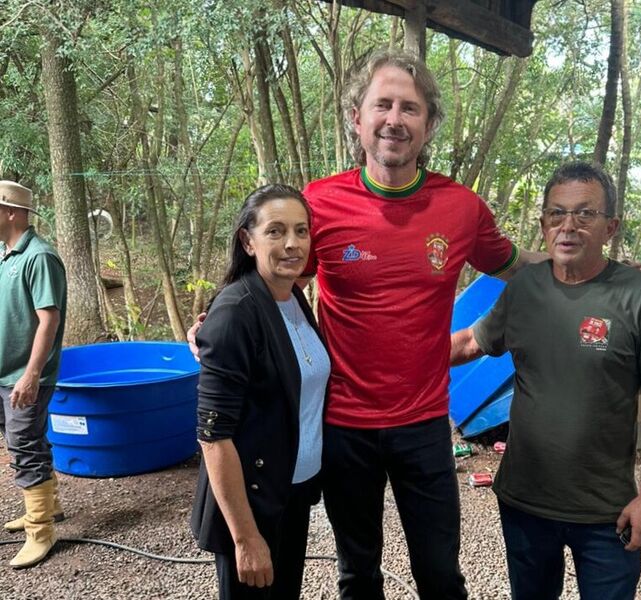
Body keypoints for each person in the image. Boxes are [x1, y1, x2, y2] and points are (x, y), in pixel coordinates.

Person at [190, 48, 538, 599]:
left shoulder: (461, 208)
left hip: (425, 421)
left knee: (441, 574)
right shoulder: (319, 205)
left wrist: (594, 268)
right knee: (357, 574)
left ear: (428, 124)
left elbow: (518, 267)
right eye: (383, 105)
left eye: (410, 108)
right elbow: (273, 277)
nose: (395, 119)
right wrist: (218, 320)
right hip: (344, 424)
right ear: (357, 118)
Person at [450, 162, 641, 600]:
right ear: (543, 225)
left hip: (607, 509)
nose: (568, 226)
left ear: (611, 227)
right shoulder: (524, 288)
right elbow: (469, 343)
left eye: (585, 214)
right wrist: (384, 357)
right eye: (556, 213)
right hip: (524, 501)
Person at [190, 184, 330, 599]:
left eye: (301, 231)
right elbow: (213, 436)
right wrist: (246, 538)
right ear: (247, 241)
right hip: (252, 505)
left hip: (291, 492)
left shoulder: (292, 298)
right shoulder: (236, 313)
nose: (292, 244)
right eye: (275, 231)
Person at [0, 180, 66, 568]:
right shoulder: (6, 255)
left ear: (11, 212)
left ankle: (41, 531)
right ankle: (47, 506)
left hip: (26, 376)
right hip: (3, 374)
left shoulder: (39, 257)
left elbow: (49, 320)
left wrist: (31, 374)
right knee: (23, 440)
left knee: (24, 446)